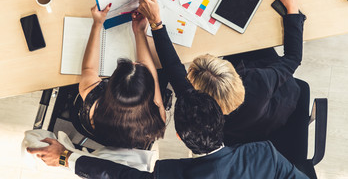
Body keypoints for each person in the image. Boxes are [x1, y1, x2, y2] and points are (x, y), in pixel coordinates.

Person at [134, 0, 306, 146]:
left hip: (246, 124)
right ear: (236, 75)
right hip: (271, 109)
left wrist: (156, 22)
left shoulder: (195, 106)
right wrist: (292, 9)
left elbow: (173, 67)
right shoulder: (259, 81)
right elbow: (293, 58)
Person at [27, 88, 309, 178]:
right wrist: (65, 158)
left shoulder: (171, 173)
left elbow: (119, 175)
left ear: (179, 137)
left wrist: (66, 158)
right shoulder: (265, 153)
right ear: (221, 120)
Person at [74, 4, 166, 149]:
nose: (136, 61)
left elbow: (88, 68)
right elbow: (153, 77)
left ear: (110, 84)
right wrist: (139, 32)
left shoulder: (93, 99)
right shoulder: (157, 117)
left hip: (98, 131)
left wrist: (97, 23)